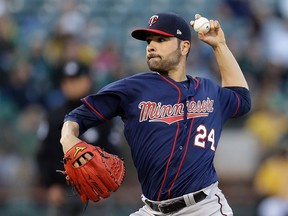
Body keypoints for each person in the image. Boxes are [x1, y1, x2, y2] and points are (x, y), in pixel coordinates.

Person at [59, 12, 251, 216]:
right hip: (152, 210)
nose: (151, 46)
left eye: (161, 40)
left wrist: (219, 46)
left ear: (184, 47)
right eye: (149, 41)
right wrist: (68, 139)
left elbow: (242, 99)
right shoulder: (133, 88)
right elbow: (77, 117)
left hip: (204, 207)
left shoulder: (208, 91)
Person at [36, 60, 120, 216]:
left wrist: (107, 185)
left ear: (88, 80)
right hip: (61, 192)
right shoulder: (53, 116)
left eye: (76, 80)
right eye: (67, 81)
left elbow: (114, 152)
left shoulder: (104, 116)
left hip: (97, 194)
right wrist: (50, 185)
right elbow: (43, 154)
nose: (70, 85)